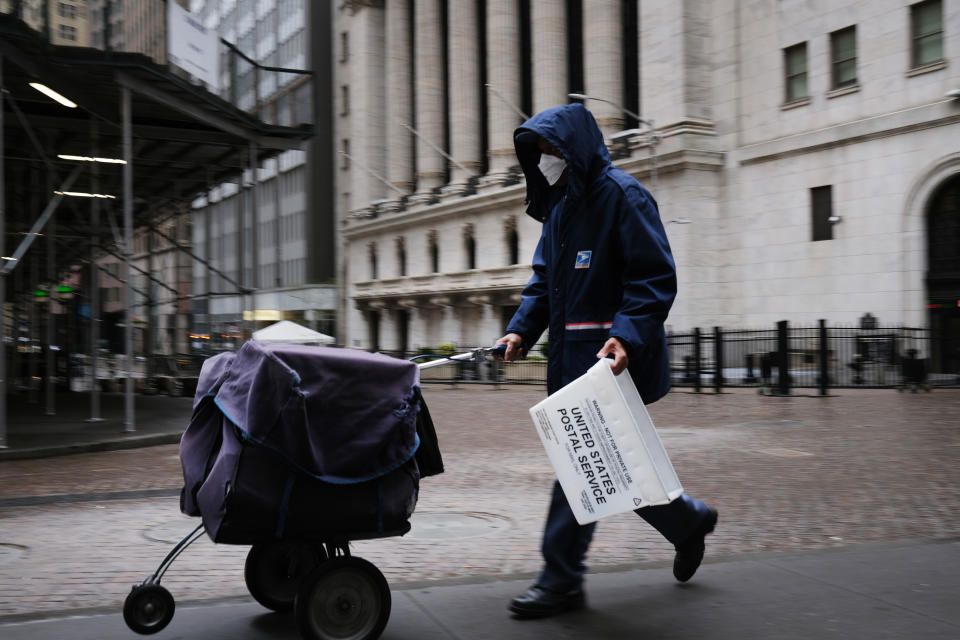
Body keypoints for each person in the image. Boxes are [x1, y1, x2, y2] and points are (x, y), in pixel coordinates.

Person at [495, 103, 718, 619]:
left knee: (582, 466)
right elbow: (544, 285)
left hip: (614, 364)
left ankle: (561, 578)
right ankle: (689, 522)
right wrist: (519, 330)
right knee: (613, 471)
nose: (547, 160)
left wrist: (626, 336)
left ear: (574, 147)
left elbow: (653, 277)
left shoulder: (623, 195)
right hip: (575, 364)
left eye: (552, 150)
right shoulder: (560, 210)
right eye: (542, 153)